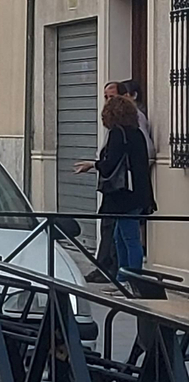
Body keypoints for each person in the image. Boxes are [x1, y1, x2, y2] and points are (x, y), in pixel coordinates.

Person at [79, 93, 154, 277]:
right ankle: (123, 279)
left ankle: (130, 280)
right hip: (138, 191)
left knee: (127, 238)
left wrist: (92, 164)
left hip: (122, 195)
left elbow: (109, 164)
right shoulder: (137, 133)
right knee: (122, 237)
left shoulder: (117, 133)